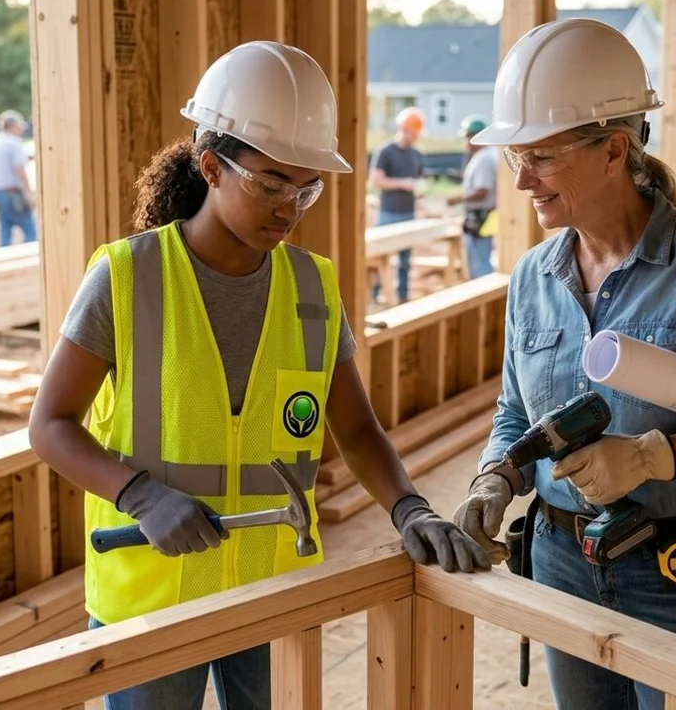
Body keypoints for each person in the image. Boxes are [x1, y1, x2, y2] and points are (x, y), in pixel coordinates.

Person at [28, 40, 488, 710]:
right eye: (271, 183)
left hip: (274, 590)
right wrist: (141, 497)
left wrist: (408, 506)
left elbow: (356, 429)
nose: (289, 207)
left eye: (307, 187)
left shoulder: (312, 287)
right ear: (212, 167)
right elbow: (49, 425)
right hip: (152, 597)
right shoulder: (128, 277)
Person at [450, 19, 676, 710]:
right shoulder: (532, 277)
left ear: (614, 149)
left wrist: (651, 458)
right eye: (515, 157)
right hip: (560, 560)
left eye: (541, 157)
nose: (521, 179)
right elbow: (516, 413)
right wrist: (497, 476)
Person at [369, 106, 425, 304]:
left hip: (408, 213)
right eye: (413, 133)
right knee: (380, 257)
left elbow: (418, 183)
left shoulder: (416, 155)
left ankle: (402, 296)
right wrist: (403, 184)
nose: (415, 138)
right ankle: (375, 295)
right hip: (388, 212)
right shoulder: (386, 151)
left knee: (405, 261)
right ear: (403, 129)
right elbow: (376, 181)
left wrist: (420, 197)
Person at [445, 114, 498, 279]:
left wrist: (458, 199)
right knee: (479, 260)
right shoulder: (486, 155)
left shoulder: (484, 159)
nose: (466, 142)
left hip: (480, 215)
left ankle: (485, 292)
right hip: (483, 215)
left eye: (467, 138)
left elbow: (482, 191)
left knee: (480, 264)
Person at [0, 109, 37, 246]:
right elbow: (19, 169)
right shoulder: (14, 143)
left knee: (5, 232)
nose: (21, 130)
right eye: (19, 126)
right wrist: (28, 194)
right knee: (30, 231)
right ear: (12, 126)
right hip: (13, 194)